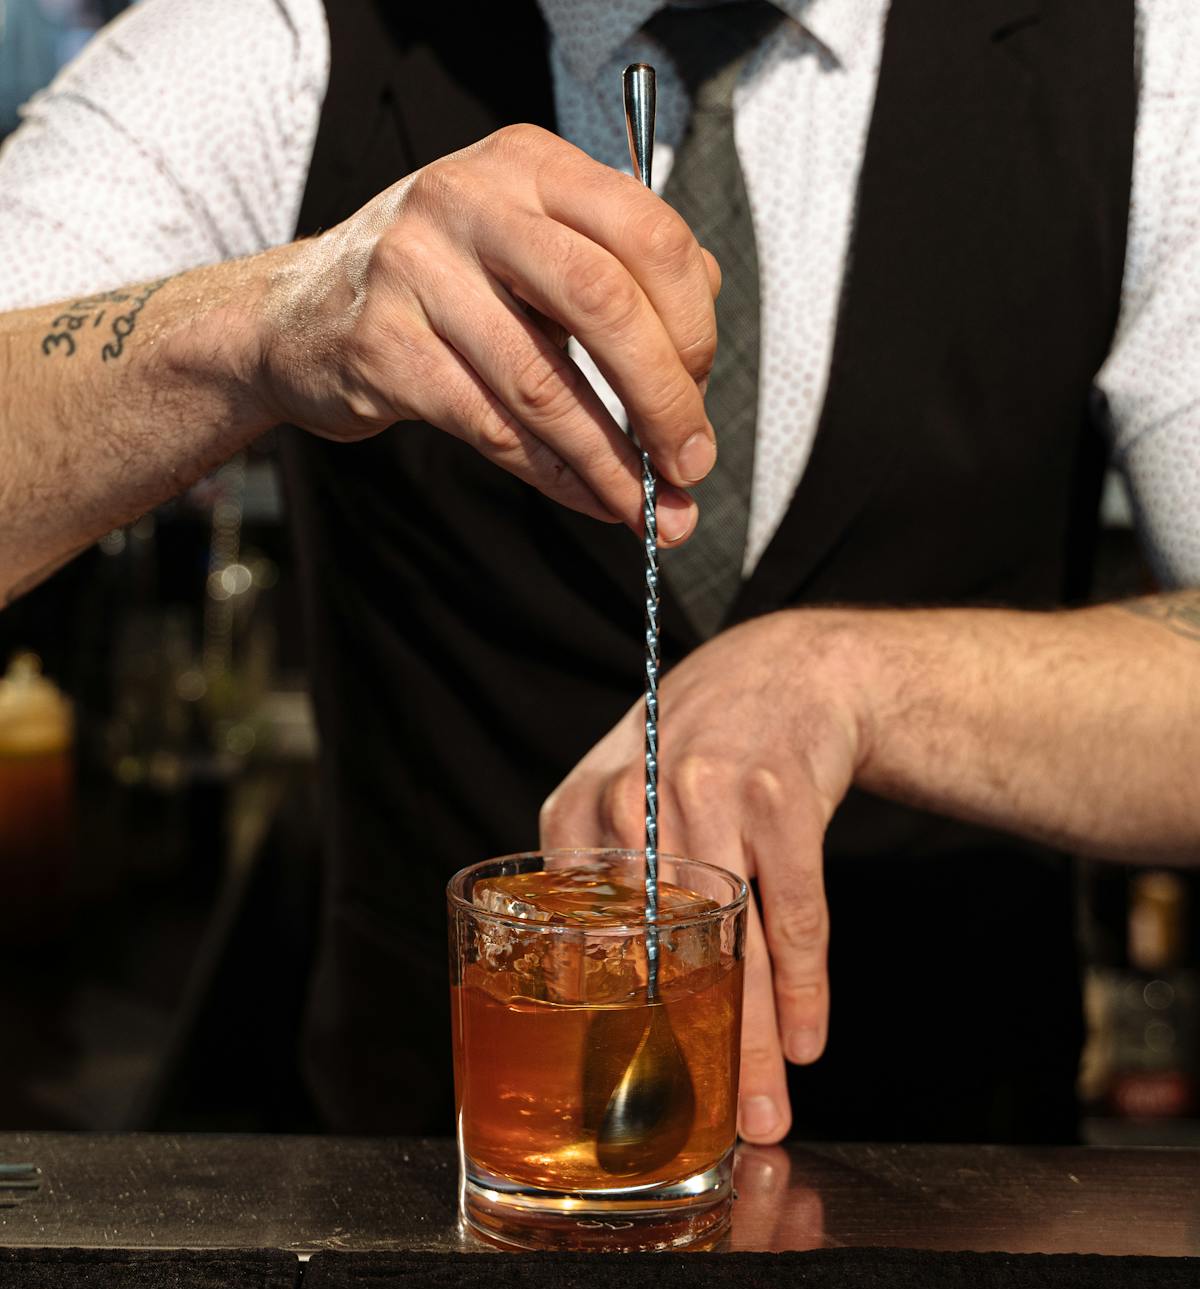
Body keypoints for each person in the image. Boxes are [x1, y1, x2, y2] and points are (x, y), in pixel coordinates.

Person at [1, 0, 1198, 1143]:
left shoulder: (1143, 58)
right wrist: (263, 319)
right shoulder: (283, 45)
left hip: (970, 1234)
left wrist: (860, 680)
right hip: (439, 1223)